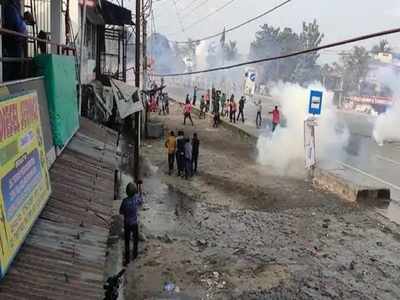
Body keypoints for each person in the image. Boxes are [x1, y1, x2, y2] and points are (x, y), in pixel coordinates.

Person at [120, 181, 143, 265]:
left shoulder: (124, 201)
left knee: (127, 241)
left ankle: (127, 259)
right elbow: (141, 200)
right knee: (135, 241)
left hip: (127, 224)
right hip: (134, 224)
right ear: (135, 191)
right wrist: (140, 187)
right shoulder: (136, 198)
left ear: (127, 192)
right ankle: (135, 256)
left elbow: (121, 212)